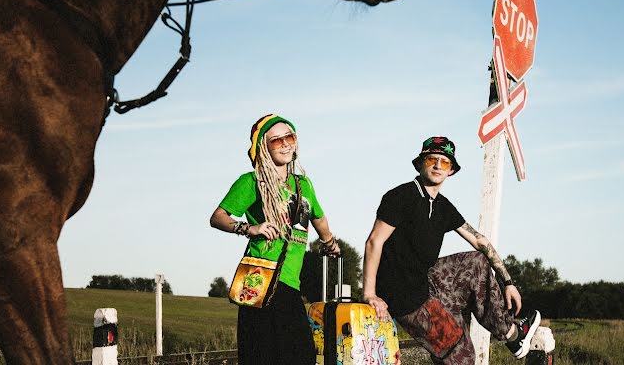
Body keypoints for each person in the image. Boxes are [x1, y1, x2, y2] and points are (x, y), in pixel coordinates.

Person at [362, 136, 541, 363]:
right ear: (420, 163)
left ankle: (512, 335)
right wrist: (370, 294)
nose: (438, 165)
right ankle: (513, 335)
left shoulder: (442, 206)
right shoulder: (401, 196)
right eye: (432, 159)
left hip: (425, 284)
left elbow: (480, 242)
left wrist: (508, 282)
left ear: (451, 171)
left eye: (444, 162)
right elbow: (374, 242)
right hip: (406, 297)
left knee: (476, 262)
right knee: (462, 356)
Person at [210, 114, 340, 365]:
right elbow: (218, 217)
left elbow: (318, 218)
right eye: (275, 140)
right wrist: (250, 228)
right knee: (268, 355)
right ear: (263, 147)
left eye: (289, 137)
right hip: (260, 278)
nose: (285, 144)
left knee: (298, 355)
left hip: (290, 281)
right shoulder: (251, 181)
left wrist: (329, 242)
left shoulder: (303, 184)